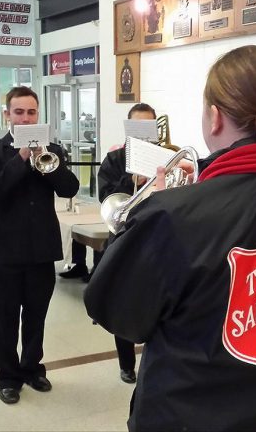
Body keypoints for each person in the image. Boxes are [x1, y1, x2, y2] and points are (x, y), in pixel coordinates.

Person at [84, 45, 256, 431]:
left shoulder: (172, 213)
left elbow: (116, 311)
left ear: (215, 116)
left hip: (188, 413)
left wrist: (143, 216)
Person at [0, 86, 78, 405]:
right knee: (4, 319)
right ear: (7, 114)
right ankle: (7, 377)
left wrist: (47, 160)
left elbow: (69, 188)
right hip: (3, 252)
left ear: (38, 115)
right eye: (19, 112)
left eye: (31, 112)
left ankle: (33, 368)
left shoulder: (52, 148)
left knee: (36, 316)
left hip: (41, 250)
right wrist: (22, 157)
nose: (25, 118)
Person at [86, 102, 158, 385]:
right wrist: (131, 181)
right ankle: (126, 363)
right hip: (125, 239)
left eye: (147, 127)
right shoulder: (114, 160)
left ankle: (154, 359)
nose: (142, 134)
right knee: (124, 301)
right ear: (128, 130)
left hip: (157, 240)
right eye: (136, 128)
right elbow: (106, 198)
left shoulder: (167, 156)